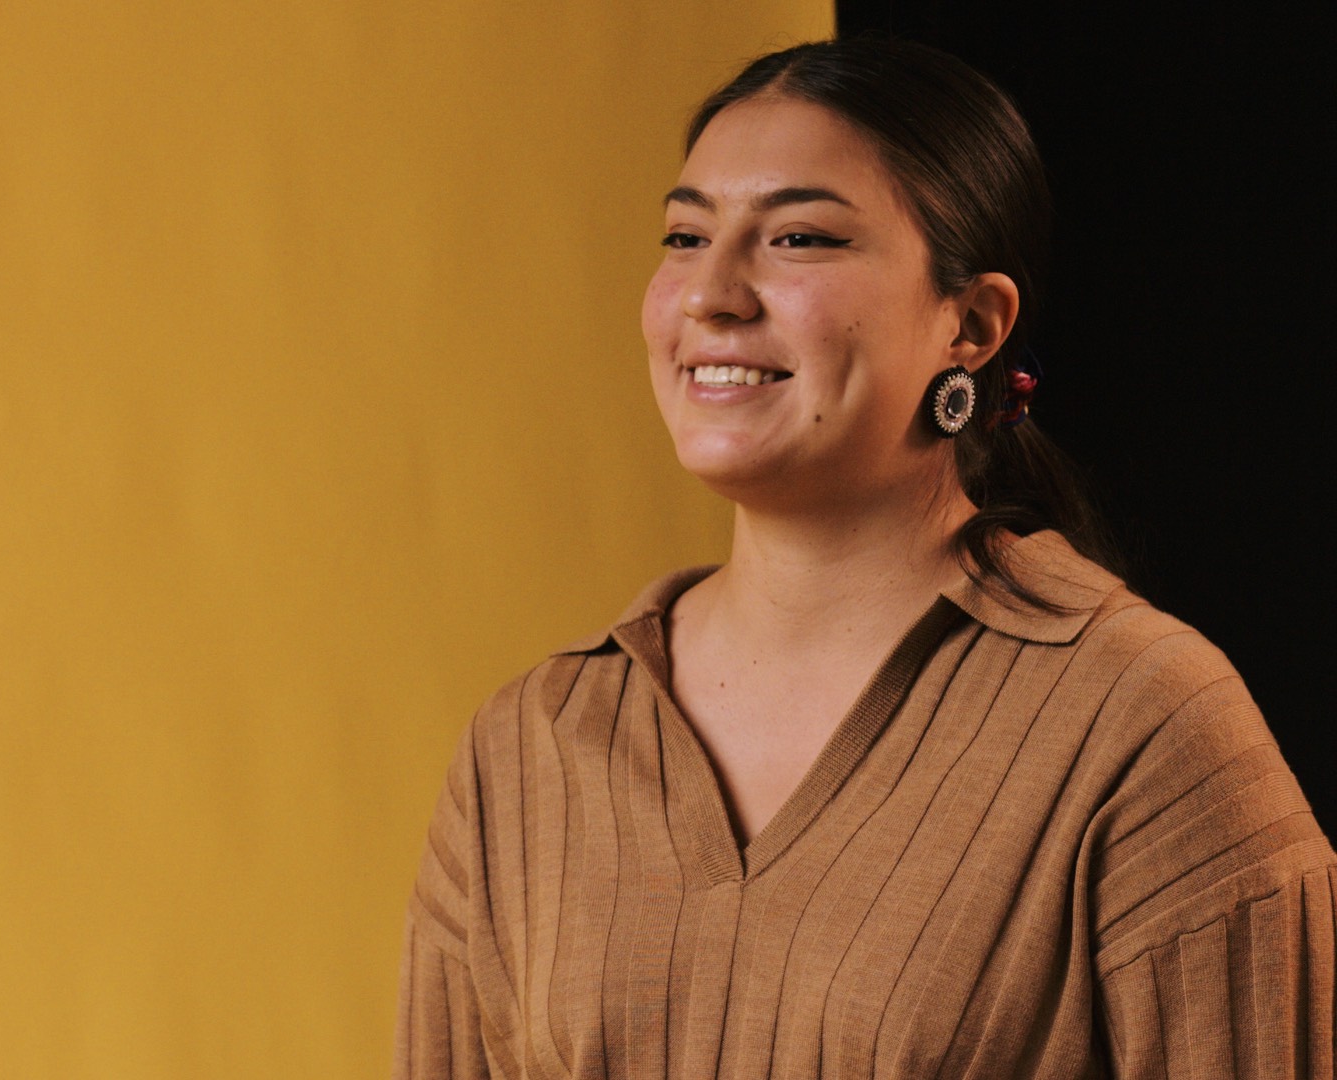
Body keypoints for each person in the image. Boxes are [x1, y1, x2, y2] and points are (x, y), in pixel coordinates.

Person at [392, 38, 1335, 1079]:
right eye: (685, 236)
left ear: (971, 324)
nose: (710, 293)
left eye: (798, 238)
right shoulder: (528, 750)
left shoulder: (1142, 729)